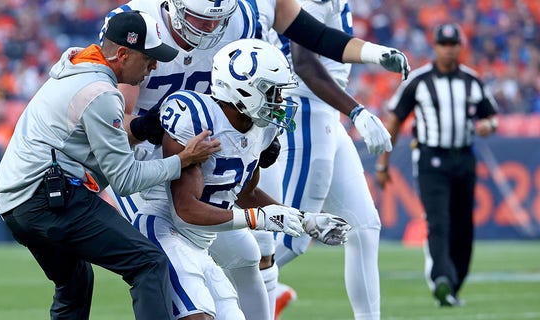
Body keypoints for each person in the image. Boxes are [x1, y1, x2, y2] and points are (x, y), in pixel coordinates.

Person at [99, 1, 409, 318]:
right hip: (142, 167)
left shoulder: (242, 23)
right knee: (168, 261)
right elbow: (111, 131)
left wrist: (303, 221)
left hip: (204, 147)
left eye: (216, 21)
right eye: (199, 19)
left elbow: (314, 36)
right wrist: (148, 125)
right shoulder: (137, 23)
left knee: (252, 252)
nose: (208, 29)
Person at [0, 11, 221, 320]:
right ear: (123, 54)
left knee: (74, 284)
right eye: (149, 58)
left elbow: (82, 140)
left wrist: (139, 128)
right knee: (148, 263)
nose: (153, 66)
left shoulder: (77, 67)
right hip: (49, 199)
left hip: (16, 205)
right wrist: (183, 160)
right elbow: (125, 179)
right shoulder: (101, 92)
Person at [132, 38, 351, 320]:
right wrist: (258, 219)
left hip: (202, 241)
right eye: (273, 92)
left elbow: (246, 192)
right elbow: (184, 209)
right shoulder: (196, 119)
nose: (280, 102)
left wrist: (305, 219)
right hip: (166, 230)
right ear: (244, 89)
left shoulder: (261, 129)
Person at [253, 1, 392, 319]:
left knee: (364, 226)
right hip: (305, 108)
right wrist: (356, 110)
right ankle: (221, 295)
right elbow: (304, 62)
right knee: (293, 237)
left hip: (321, 112)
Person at [375, 23, 498, 307]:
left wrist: (488, 126)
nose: (448, 49)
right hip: (431, 159)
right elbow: (395, 119)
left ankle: (454, 282)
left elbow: (491, 116)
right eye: (443, 44)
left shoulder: (472, 80)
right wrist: (383, 163)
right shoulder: (418, 81)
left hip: (464, 158)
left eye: (453, 44)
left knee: (463, 225)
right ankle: (441, 278)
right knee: (439, 220)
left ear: (460, 46)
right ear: (435, 47)